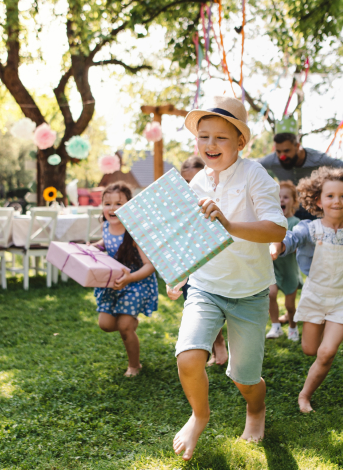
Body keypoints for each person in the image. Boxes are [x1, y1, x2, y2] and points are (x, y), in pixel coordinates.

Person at [173, 96, 288, 460]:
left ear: (240, 142)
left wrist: (228, 223)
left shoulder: (256, 175)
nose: (210, 145)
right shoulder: (196, 183)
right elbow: (191, 236)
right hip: (206, 286)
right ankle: (198, 415)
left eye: (220, 138)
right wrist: (179, 272)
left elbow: (276, 229)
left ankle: (256, 409)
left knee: (244, 378)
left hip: (250, 292)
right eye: (203, 137)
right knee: (189, 357)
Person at [275, 165, 343, 412]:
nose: (337, 201)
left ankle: (304, 395)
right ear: (318, 200)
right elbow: (290, 240)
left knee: (326, 353)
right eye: (330, 196)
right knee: (309, 350)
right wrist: (278, 247)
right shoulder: (310, 229)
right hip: (315, 297)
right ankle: (323, 324)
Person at [167, 155, 229, 366]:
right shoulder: (179, 207)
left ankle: (223, 346)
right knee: (197, 305)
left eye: (195, 180)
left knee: (216, 302)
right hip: (190, 264)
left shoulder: (215, 202)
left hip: (216, 264)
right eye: (185, 182)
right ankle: (216, 345)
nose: (190, 187)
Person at [93, 183, 158, 377]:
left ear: (130, 206)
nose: (112, 208)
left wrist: (130, 279)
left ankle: (134, 365)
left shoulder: (135, 233)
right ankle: (128, 323)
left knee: (124, 327)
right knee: (105, 324)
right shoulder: (106, 226)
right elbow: (106, 243)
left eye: (119, 203)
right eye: (108, 203)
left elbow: (150, 265)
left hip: (135, 283)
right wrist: (94, 247)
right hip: (114, 283)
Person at [266, 181, 301, 341]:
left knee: (290, 306)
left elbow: (296, 245)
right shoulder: (269, 223)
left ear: (294, 202)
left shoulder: (296, 223)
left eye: (285, 197)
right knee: (270, 294)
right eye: (277, 197)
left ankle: (293, 327)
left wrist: (280, 246)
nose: (281, 200)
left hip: (289, 271)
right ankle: (276, 326)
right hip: (272, 269)